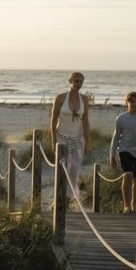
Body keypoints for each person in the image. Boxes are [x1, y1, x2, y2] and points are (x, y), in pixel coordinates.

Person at [51, 71, 90, 210]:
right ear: (70, 81)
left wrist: (87, 142)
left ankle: (65, 204)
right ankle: (57, 201)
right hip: (61, 137)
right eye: (76, 81)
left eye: (81, 82)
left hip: (78, 140)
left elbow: (85, 122)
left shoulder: (84, 99)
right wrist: (52, 140)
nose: (78, 84)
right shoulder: (60, 98)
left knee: (74, 172)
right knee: (62, 170)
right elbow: (53, 119)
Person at [109, 91, 136, 213]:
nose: (134, 104)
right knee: (128, 175)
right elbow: (116, 137)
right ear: (127, 102)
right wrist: (112, 154)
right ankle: (126, 205)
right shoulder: (121, 118)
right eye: (131, 101)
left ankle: (134, 205)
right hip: (125, 150)